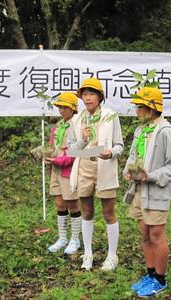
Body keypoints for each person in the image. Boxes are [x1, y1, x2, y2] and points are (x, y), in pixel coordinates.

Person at [123, 87, 171, 297]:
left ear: (152, 108)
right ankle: (150, 274)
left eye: (140, 107)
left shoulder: (166, 131)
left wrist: (151, 175)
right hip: (139, 190)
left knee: (157, 234)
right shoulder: (141, 131)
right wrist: (127, 171)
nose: (137, 111)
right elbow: (132, 156)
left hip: (156, 191)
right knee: (144, 232)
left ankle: (160, 278)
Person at [68, 77, 124, 271]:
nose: (88, 98)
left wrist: (111, 153)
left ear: (100, 96)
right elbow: (71, 151)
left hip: (105, 166)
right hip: (84, 166)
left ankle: (112, 255)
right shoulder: (76, 119)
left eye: (92, 93)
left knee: (109, 212)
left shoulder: (110, 116)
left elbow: (119, 145)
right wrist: (82, 141)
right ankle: (88, 253)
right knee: (87, 211)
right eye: (84, 94)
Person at [45, 92, 81, 255]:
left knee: (72, 203)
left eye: (64, 107)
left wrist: (59, 160)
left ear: (73, 108)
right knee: (59, 203)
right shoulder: (59, 125)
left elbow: (76, 151)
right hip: (56, 170)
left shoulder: (77, 125)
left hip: (69, 169)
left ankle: (75, 239)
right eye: (59, 107)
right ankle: (62, 237)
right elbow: (54, 146)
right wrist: (47, 154)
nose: (61, 110)